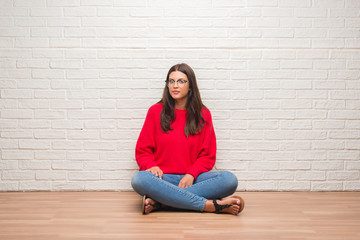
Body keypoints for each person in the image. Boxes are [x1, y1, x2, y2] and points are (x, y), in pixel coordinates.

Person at [131, 63, 245, 215]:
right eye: (171, 81)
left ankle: (162, 203)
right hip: (164, 180)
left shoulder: (203, 114)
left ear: (190, 86)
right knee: (139, 179)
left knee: (229, 180)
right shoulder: (155, 111)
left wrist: (191, 174)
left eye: (181, 81)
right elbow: (143, 150)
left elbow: (207, 156)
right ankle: (208, 205)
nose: (175, 86)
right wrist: (150, 165)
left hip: (194, 178)